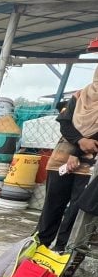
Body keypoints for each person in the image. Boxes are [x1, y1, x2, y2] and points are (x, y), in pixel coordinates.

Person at [36, 69, 98, 251]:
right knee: (52, 205)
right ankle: (40, 246)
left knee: (76, 209)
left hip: (90, 164)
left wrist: (77, 152)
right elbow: (65, 123)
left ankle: (62, 250)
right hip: (61, 159)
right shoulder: (80, 95)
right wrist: (79, 141)